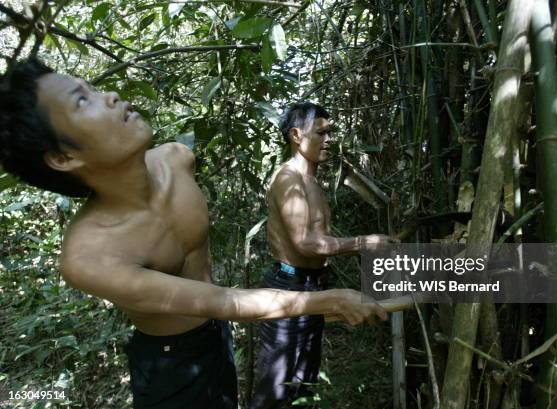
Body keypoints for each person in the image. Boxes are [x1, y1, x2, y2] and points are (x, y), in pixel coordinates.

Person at [0, 59, 388, 409]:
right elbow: (223, 299)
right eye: (83, 101)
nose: (111, 95)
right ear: (64, 158)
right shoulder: (89, 255)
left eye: (93, 87)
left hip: (217, 337)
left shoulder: (177, 158)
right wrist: (330, 299)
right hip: (170, 365)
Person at [250, 102, 397, 409]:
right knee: (275, 391)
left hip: (311, 286)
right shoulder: (289, 179)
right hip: (287, 289)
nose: (329, 139)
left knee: (304, 383)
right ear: (295, 135)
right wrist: (362, 243)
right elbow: (305, 243)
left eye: (330, 132)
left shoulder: (311, 180)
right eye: (321, 132)